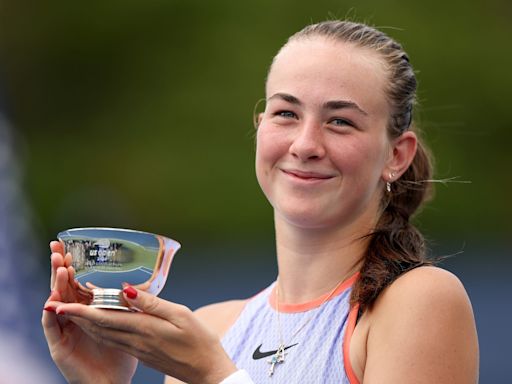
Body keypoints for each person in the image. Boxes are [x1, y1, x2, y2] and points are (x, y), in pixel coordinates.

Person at [43, 20, 479, 383]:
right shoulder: (212, 329)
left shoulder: (419, 302)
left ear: (396, 155)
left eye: (340, 121)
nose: (305, 144)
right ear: (260, 126)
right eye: (286, 113)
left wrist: (217, 375)